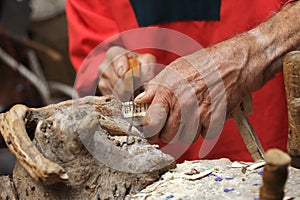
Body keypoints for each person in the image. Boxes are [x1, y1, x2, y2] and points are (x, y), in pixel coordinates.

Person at [66, 0, 300, 162]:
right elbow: (93, 54)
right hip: (157, 165)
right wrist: (112, 73)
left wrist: (253, 51)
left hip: (277, 145)